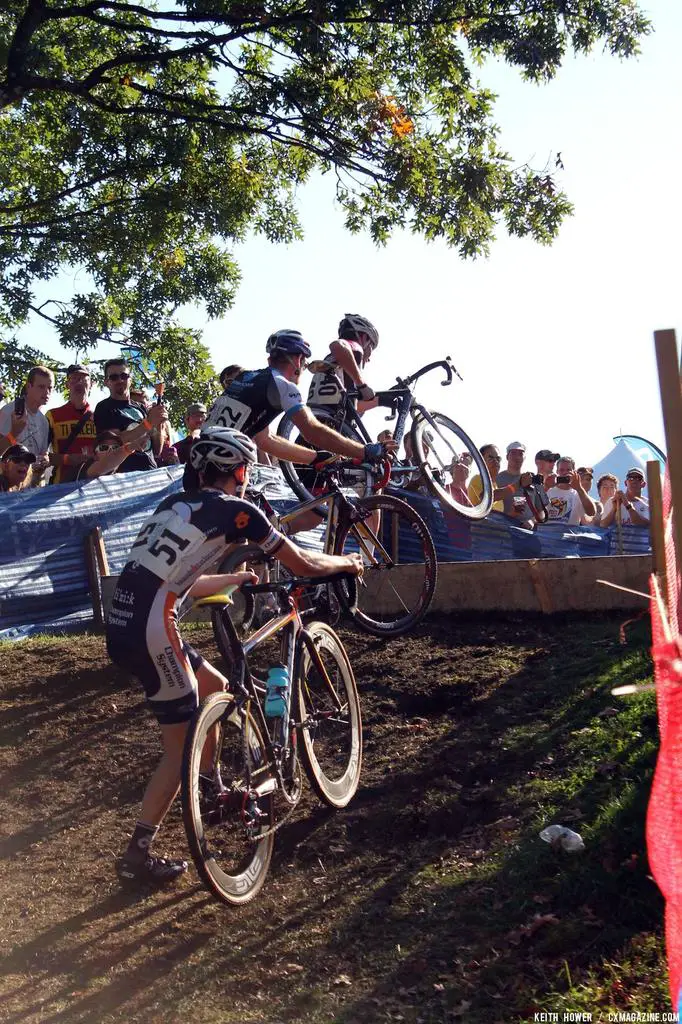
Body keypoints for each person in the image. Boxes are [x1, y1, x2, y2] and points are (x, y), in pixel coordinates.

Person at [108, 427, 364, 886]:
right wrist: (348, 562)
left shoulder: (173, 507)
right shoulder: (238, 511)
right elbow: (303, 565)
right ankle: (139, 850)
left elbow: (173, 582)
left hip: (128, 620)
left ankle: (212, 787)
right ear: (241, 471)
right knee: (180, 747)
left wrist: (237, 581)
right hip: (153, 627)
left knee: (219, 690)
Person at [94, 359, 168, 472]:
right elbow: (115, 443)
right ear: (106, 382)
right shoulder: (104, 408)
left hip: (150, 472)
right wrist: (148, 423)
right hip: (124, 476)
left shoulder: (141, 407)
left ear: (130, 379)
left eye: (124, 376)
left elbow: (157, 450)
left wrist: (159, 425)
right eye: (114, 377)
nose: (120, 380)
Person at [307, 314, 380, 410]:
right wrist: (362, 385)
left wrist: (380, 400)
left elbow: (354, 409)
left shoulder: (333, 358)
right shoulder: (355, 347)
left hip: (317, 414)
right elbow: (337, 345)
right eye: (372, 346)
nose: (370, 357)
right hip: (331, 415)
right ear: (364, 337)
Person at [46, 364, 97, 484]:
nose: (79, 382)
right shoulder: (53, 415)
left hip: (93, 486)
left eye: (84, 379)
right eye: (74, 378)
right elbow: (42, 456)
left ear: (91, 385)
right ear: (67, 385)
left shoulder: (100, 416)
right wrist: (68, 459)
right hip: (61, 486)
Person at [0, 366, 53, 472]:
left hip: (34, 483)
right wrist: (13, 433)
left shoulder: (44, 421)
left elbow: (43, 453)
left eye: (50, 388)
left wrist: (45, 460)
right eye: (41, 387)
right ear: (29, 386)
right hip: (9, 484)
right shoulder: (9, 411)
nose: (47, 392)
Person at [544, 456, 596, 525]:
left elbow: (591, 512)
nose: (565, 473)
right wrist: (545, 488)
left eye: (568, 470)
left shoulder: (579, 493)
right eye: (561, 470)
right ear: (557, 472)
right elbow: (536, 512)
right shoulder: (548, 490)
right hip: (546, 534)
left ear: (574, 472)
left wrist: (579, 488)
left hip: (569, 534)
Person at [74, 430, 141, 481]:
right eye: (104, 447)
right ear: (95, 455)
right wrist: (129, 448)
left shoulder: (124, 475)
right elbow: (103, 466)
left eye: (115, 448)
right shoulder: (85, 467)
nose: (111, 451)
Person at [467, 444, 510, 512]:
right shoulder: (478, 479)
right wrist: (517, 485)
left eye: (498, 458)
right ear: (481, 461)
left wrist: (514, 513)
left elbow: (495, 517)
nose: (495, 461)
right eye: (491, 457)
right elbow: (487, 499)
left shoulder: (495, 485)